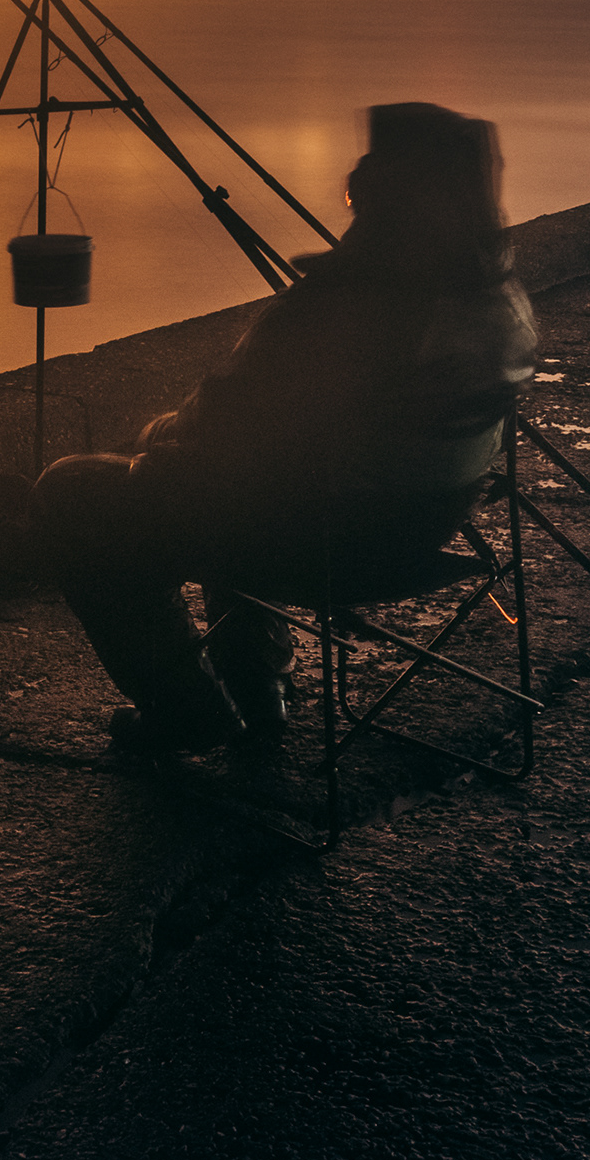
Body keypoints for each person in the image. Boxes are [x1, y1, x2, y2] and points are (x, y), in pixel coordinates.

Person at [31, 102, 537, 750]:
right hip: (418, 533)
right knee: (246, 466)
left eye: (362, 191)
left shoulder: (343, 315)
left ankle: (189, 709)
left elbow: (220, 427)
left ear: (388, 199)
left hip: (327, 542)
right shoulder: (503, 301)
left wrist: (156, 437)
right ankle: (256, 687)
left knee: (71, 491)